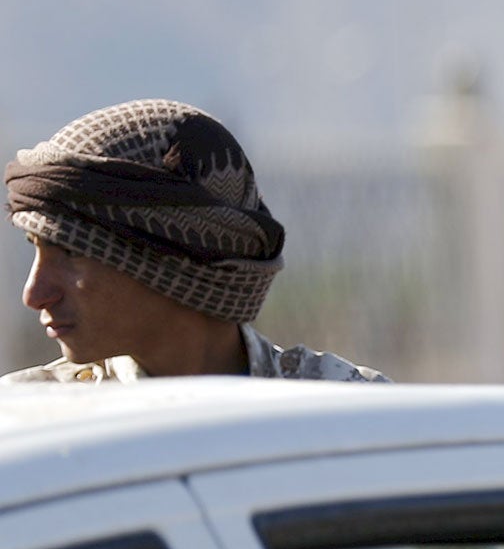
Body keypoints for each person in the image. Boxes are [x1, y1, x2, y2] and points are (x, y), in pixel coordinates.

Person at [3, 100, 384, 382]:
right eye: (37, 248)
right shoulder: (30, 426)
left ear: (173, 260)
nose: (35, 293)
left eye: (71, 252)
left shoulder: (350, 416)